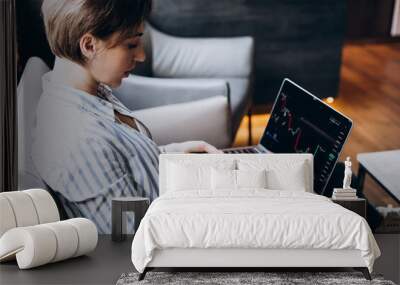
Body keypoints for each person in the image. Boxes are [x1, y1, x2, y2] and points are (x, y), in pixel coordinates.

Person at [32, 0, 221, 234]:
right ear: (89, 45)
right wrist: (211, 212)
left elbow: (124, 163)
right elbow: (131, 238)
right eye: (131, 44)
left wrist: (172, 152)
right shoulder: (79, 140)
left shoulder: (90, 94)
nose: (141, 55)